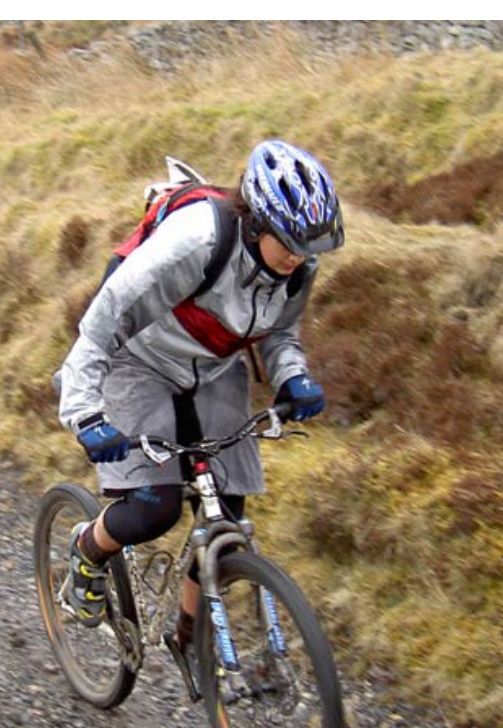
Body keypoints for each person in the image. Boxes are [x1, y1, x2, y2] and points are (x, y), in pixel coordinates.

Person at [53, 138, 339, 658]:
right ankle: (85, 550)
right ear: (257, 223)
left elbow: (279, 333)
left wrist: (292, 377)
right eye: (291, 243)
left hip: (212, 368)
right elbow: (102, 322)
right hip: (136, 359)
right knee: (153, 509)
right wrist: (85, 413)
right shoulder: (196, 243)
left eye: (310, 247)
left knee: (226, 515)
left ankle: (191, 637)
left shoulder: (300, 264)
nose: (300, 257)